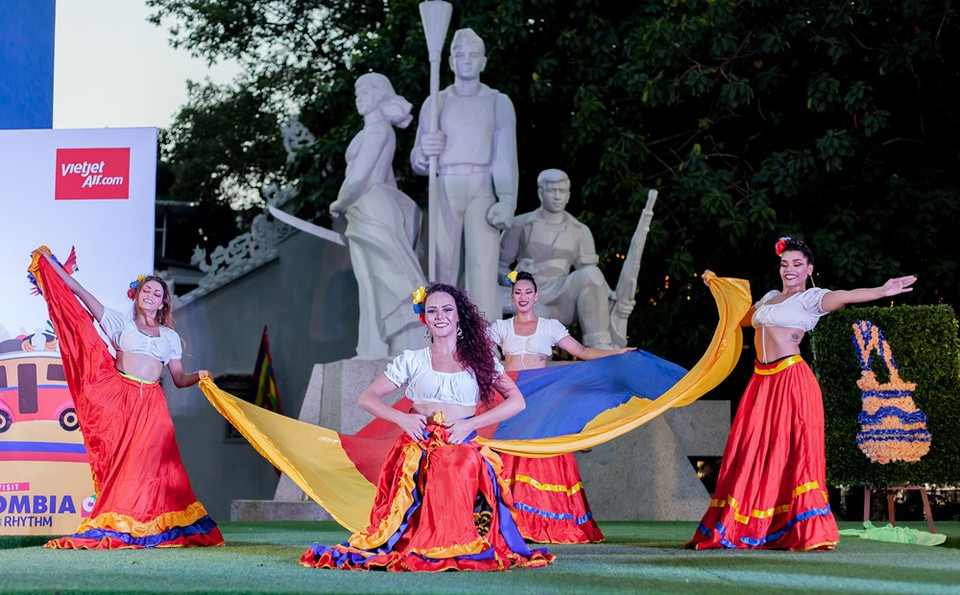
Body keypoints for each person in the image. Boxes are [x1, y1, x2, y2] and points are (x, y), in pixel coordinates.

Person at [300, 283, 554, 571]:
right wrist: (403, 419)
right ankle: (431, 542)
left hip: (463, 441)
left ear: (459, 316)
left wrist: (471, 423)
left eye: (447, 309)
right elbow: (367, 398)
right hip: (419, 445)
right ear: (425, 317)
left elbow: (517, 402)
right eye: (432, 310)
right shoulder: (413, 359)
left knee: (460, 462)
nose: (440, 315)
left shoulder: (480, 360)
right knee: (442, 464)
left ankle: (457, 541)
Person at [687, 237, 916, 550]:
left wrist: (881, 291)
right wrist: (718, 288)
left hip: (791, 380)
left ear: (809, 268)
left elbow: (845, 297)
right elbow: (739, 319)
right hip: (761, 382)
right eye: (785, 264)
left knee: (789, 453)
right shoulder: (769, 297)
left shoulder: (811, 298)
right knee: (753, 451)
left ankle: (804, 528)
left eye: (797, 264)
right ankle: (753, 523)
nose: (789, 270)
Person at [27, 247, 224, 549]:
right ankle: (122, 523)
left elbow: (179, 379)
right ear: (137, 295)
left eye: (157, 294)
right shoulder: (121, 324)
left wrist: (200, 376)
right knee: (126, 467)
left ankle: (155, 524)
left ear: (163, 303)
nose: (151, 296)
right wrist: (55, 271)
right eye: (147, 290)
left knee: (158, 469)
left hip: (153, 407)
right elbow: (81, 292)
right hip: (122, 401)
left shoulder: (170, 337)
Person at [486, 271, 630, 543]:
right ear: (512, 297)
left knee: (544, 458)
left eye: (528, 292)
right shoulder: (500, 327)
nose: (523, 297)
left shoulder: (550, 326)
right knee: (507, 456)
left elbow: (583, 352)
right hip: (510, 398)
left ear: (536, 296)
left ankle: (544, 521)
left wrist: (618, 353)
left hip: (542, 400)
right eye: (518, 293)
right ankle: (508, 521)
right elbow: (477, 348)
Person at [411, 28, 518, 320]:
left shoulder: (497, 101)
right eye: (460, 55)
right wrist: (424, 151)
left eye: (473, 55)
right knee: (441, 264)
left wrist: (507, 199)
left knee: (482, 265)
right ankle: (441, 332)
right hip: (445, 184)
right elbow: (417, 160)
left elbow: (505, 157)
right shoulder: (436, 102)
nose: (467, 61)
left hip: (481, 184)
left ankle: (485, 337)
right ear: (450, 61)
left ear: (483, 61)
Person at [330, 72, 426, 359]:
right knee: (370, 280)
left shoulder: (378, 130)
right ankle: (372, 347)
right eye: (357, 92)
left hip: (371, 205)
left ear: (379, 94)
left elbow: (359, 178)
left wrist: (339, 202)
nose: (358, 97)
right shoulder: (371, 130)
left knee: (388, 275)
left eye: (364, 92)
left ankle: (405, 340)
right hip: (364, 209)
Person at [499, 169, 624, 349]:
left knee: (591, 273)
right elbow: (497, 268)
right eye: (552, 191)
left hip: (564, 299)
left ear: (568, 195)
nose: (558, 196)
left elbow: (592, 277)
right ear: (541, 193)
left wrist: (612, 297)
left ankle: (598, 342)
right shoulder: (520, 225)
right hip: (530, 299)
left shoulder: (579, 230)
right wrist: (514, 277)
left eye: (562, 191)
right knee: (534, 355)